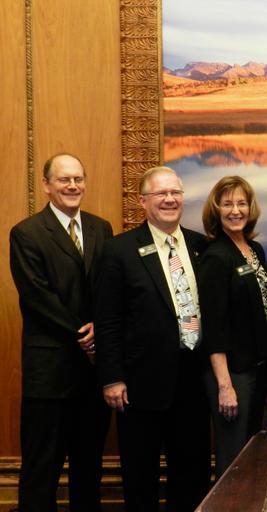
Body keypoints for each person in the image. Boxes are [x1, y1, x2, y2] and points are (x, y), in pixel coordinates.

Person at [94, 166, 210, 511]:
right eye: (161, 193)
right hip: (140, 384)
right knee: (140, 476)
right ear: (143, 201)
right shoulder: (119, 250)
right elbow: (108, 320)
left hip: (192, 379)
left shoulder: (201, 246)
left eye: (175, 193)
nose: (169, 199)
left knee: (191, 473)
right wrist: (112, 377)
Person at [9, 153, 113, 512]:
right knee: (42, 470)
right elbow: (37, 295)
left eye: (78, 179)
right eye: (64, 179)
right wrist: (83, 333)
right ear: (46, 185)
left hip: (93, 372)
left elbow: (108, 288)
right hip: (50, 375)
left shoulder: (101, 228)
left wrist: (101, 326)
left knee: (89, 469)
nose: (72, 186)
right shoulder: (27, 233)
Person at [198, 176, 267, 478]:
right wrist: (225, 386)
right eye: (227, 204)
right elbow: (213, 327)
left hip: (256, 370)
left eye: (242, 203)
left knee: (252, 454)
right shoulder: (215, 256)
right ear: (215, 210)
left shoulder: (254, 249)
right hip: (232, 374)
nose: (235, 210)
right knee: (233, 459)